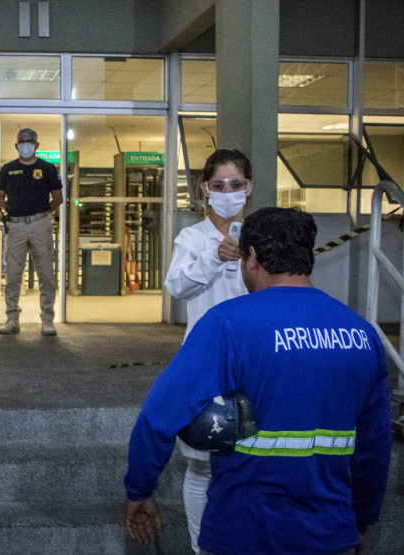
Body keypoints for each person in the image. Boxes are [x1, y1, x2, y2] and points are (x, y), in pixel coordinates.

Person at [124, 207, 391, 555]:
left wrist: (139, 491)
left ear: (251, 257)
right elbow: (375, 446)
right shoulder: (361, 334)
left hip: (241, 533)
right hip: (330, 534)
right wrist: (360, 521)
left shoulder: (227, 324)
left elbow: (157, 416)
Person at [162, 148, 253, 553]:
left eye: (236, 185)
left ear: (249, 188)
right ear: (205, 189)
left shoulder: (260, 237)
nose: (227, 192)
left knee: (250, 461)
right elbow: (177, 287)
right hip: (204, 365)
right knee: (200, 463)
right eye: (218, 186)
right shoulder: (192, 238)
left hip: (254, 363)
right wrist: (213, 258)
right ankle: (202, 548)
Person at [0, 128, 63, 336]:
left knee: (46, 274)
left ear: (37, 145)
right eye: (22, 141)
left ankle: (48, 320)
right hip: (15, 226)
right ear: (16, 145)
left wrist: (44, 214)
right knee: (13, 274)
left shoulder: (48, 169)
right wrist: (13, 212)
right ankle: (12, 319)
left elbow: (58, 198)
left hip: (40, 224)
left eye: (29, 141)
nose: (25, 144)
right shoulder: (7, 169)